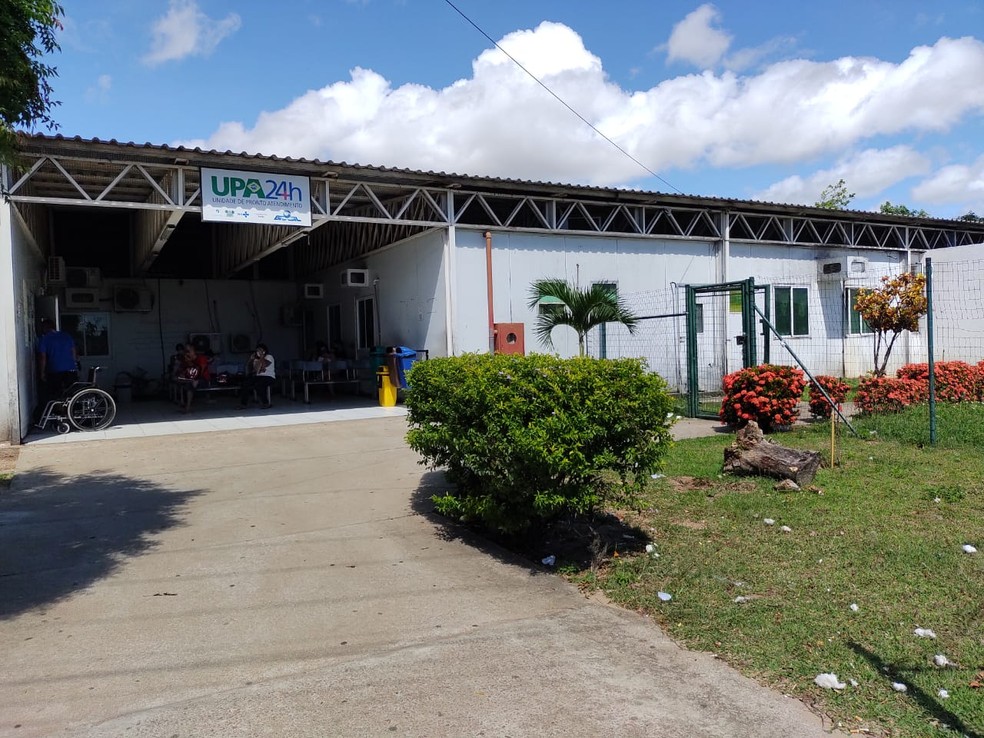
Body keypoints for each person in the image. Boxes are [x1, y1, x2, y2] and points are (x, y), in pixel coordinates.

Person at [37, 319, 78, 402]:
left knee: (55, 394)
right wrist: (73, 363)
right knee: (71, 393)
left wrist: (42, 373)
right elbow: (73, 352)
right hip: (70, 369)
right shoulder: (67, 336)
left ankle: (58, 410)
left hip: (54, 370)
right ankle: (70, 410)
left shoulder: (44, 339)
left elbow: (42, 357)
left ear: (44, 328)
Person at [177, 344, 211, 413]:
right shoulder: (188, 360)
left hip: (204, 379)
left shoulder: (201, 358)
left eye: (188, 351)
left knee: (190, 384)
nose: (187, 353)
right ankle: (184, 403)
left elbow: (201, 371)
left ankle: (188, 407)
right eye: (186, 351)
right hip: (193, 379)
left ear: (193, 351)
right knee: (183, 382)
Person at [240, 343, 276, 409]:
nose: (258, 352)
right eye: (257, 350)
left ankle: (266, 403)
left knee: (259, 385)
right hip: (258, 376)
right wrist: (251, 360)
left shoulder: (269, 356)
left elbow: (265, 365)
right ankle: (243, 404)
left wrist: (262, 356)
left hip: (269, 377)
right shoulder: (256, 360)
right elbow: (251, 369)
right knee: (245, 383)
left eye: (260, 350)